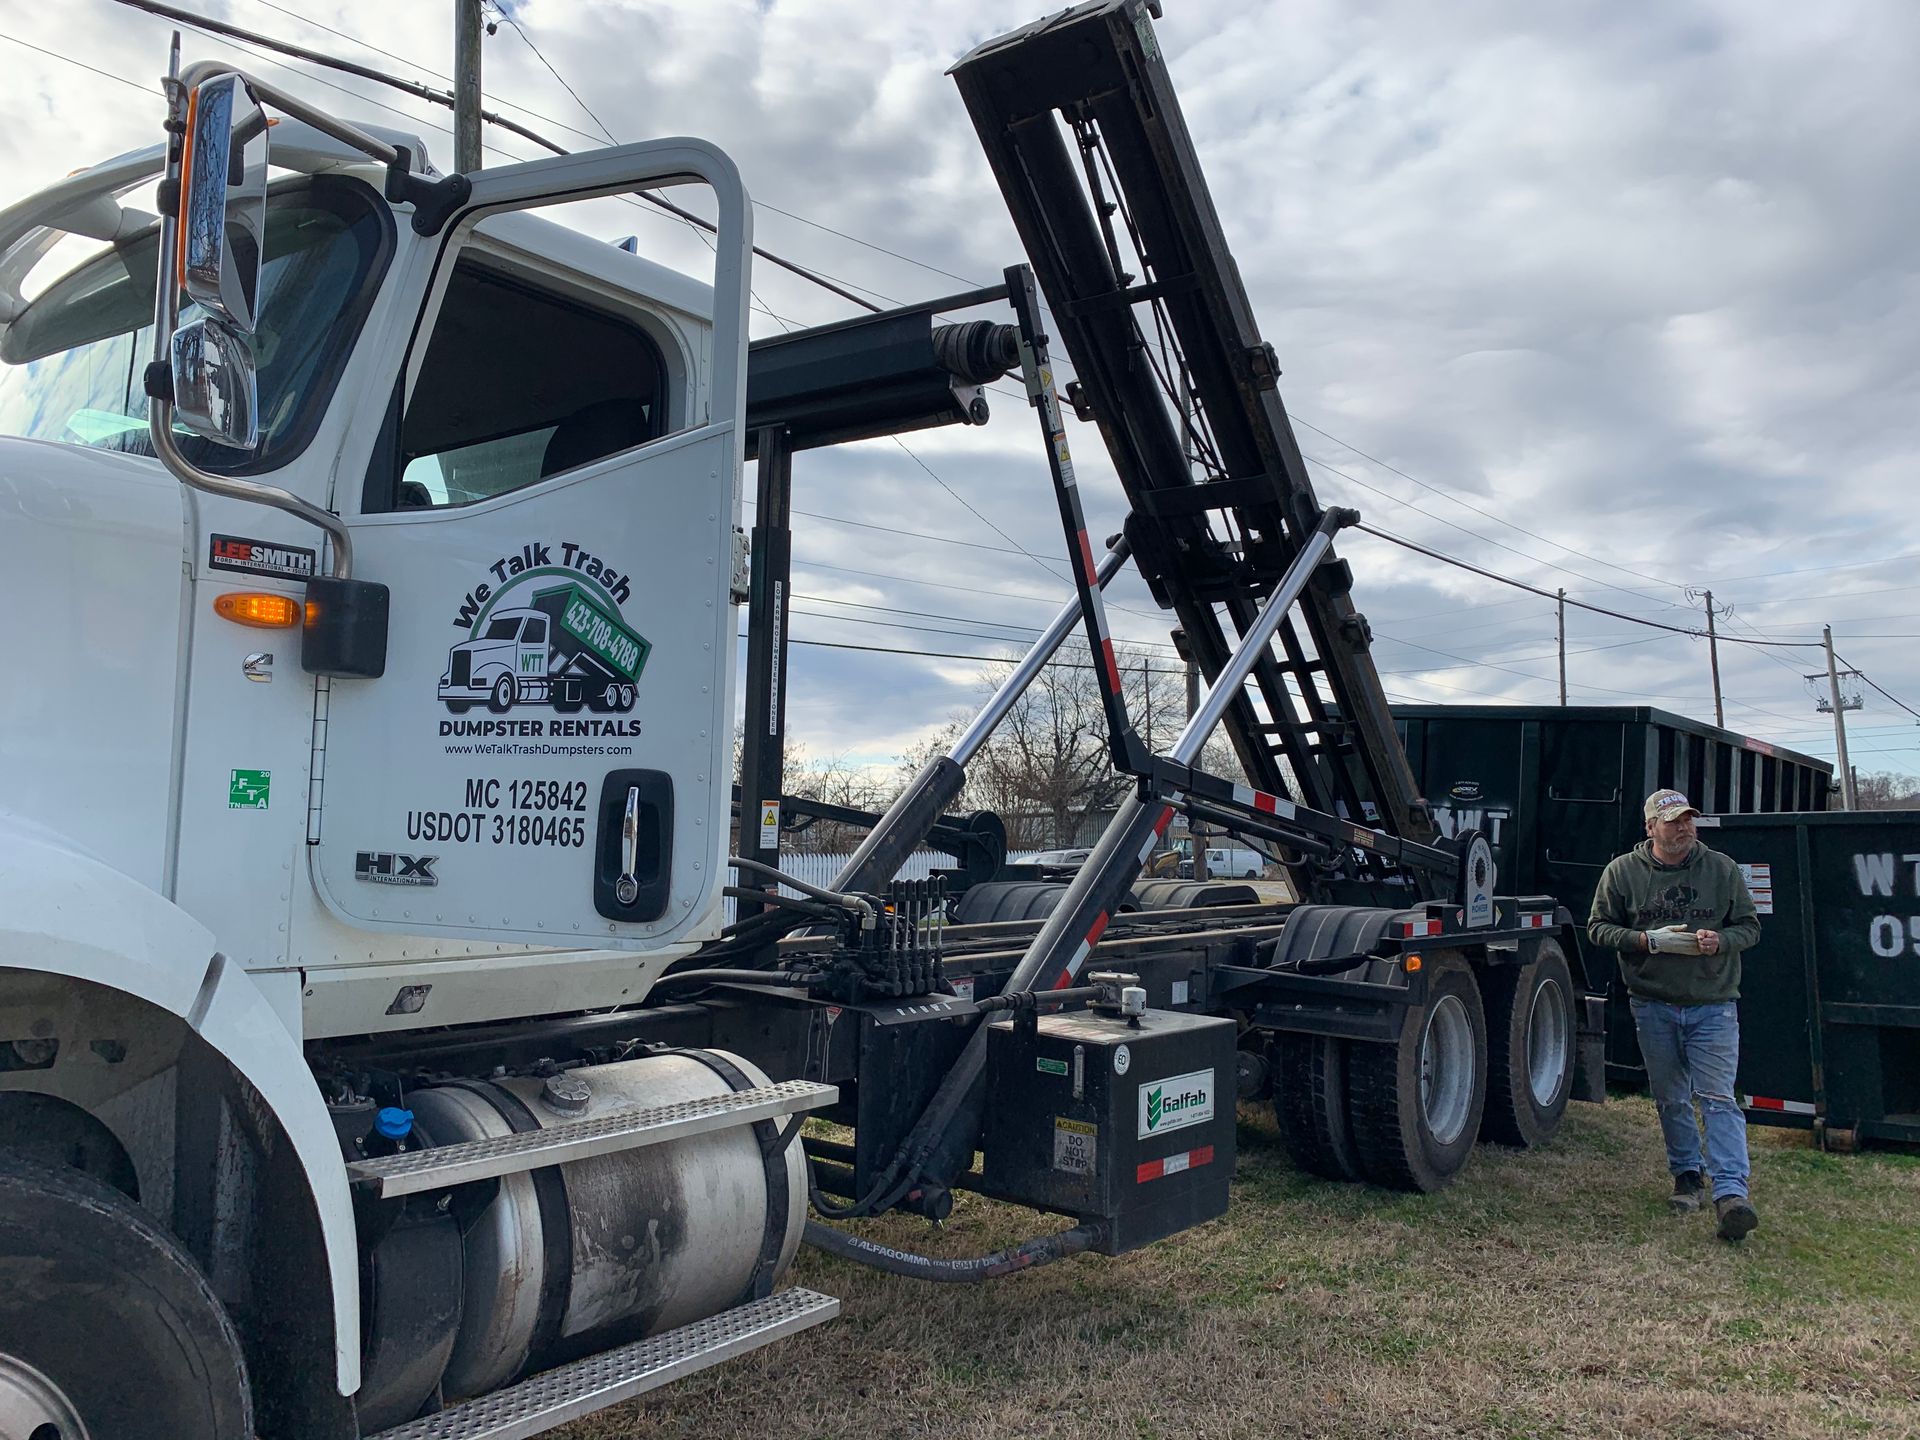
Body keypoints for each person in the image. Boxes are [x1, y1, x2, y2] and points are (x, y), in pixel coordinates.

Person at [1588, 788, 1762, 1241]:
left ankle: (1731, 1195)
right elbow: (1597, 928)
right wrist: (1645, 941)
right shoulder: (1622, 872)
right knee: (1670, 1097)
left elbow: (1750, 927)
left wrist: (1720, 941)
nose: (1683, 828)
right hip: (1653, 1003)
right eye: (1672, 821)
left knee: (1719, 1098)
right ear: (1650, 829)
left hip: (1713, 1004)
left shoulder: (1720, 868)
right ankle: (1687, 1176)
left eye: (1688, 819)